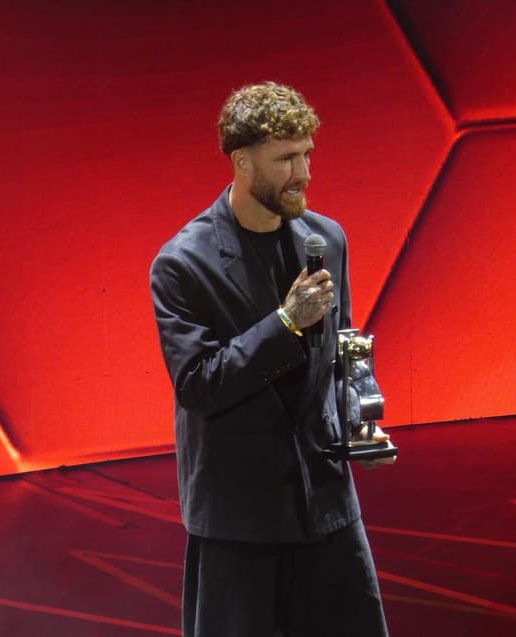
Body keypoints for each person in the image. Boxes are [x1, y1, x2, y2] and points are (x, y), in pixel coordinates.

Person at [150, 81, 393, 637]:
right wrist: (284, 324)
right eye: (285, 159)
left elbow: (343, 350)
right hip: (240, 518)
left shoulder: (326, 238)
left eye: (307, 153)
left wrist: (361, 421)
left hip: (326, 504)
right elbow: (199, 385)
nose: (303, 173)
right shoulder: (183, 263)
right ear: (241, 162)